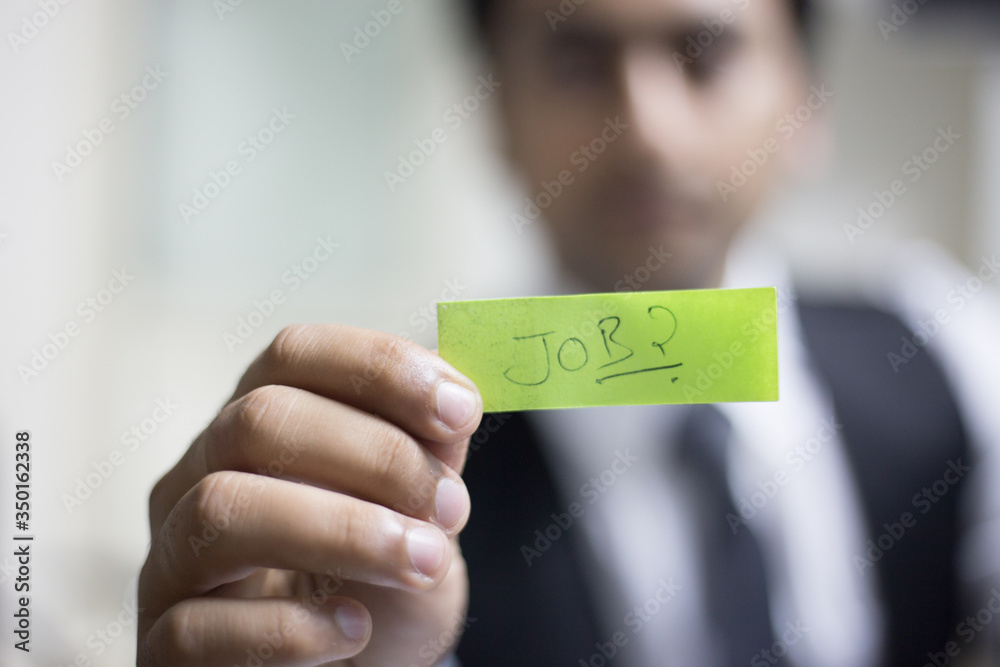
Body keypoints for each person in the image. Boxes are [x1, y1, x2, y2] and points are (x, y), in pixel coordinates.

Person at [136, 0, 1000, 665]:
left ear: (807, 102)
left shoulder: (955, 354)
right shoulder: (386, 478)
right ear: (496, 113)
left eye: (704, 53)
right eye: (576, 60)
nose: (647, 128)